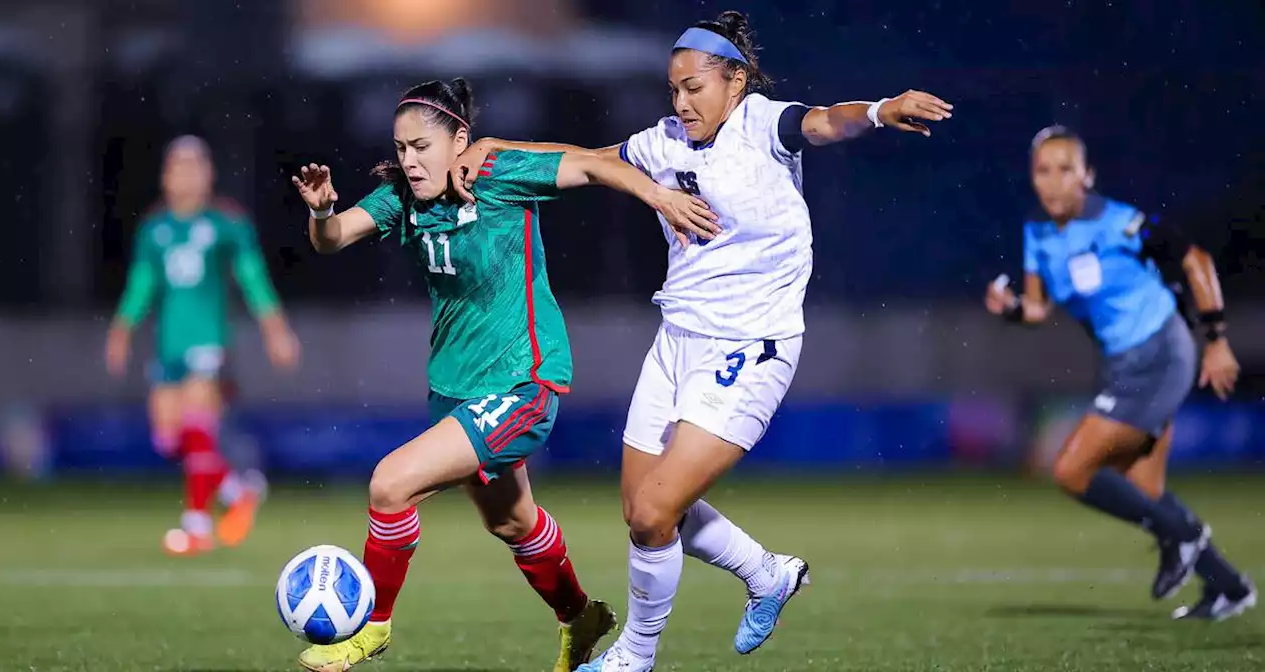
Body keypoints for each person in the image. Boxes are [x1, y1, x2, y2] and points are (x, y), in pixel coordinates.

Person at [451, 11, 953, 671]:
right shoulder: (663, 142)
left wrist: (882, 109)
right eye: (673, 89)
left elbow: (829, 120)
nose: (681, 102)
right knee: (641, 509)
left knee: (657, 510)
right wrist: (497, 151)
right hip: (677, 340)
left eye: (694, 88)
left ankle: (638, 653)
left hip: (750, 345)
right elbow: (589, 164)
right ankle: (767, 574)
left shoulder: (762, 125)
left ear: (735, 83)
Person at [290, 77, 719, 672]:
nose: (409, 160)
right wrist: (323, 211)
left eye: (421, 146)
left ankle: (372, 627)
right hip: (455, 389)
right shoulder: (402, 201)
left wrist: (659, 198)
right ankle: (580, 616)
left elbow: (591, 166)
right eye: (401, 148)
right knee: (512, 521)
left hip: (522, 383)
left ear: (458, 140)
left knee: (390, 484)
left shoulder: (497, 175)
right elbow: (332, 240)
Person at [985, 125, 1256, 621]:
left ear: (1087, 176)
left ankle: (1188, 535)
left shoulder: (1120, 223)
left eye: (1066, 169)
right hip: (1121, 364)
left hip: (1162, 352)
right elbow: (1039, 309)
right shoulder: (1037, 231)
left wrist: (1216, 341)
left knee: (1071, 469)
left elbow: (1195, 259)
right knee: (1146, 495)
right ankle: (1229, 588)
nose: (1053, 181)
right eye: (1043, 170)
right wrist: (1008, 308)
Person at [106, 135, 299, 556]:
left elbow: (253, 279)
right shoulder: (155, 229)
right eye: (178, 167)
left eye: (195, 167)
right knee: (169, 439)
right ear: (165, 176)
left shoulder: (226, 224)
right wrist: (122, 329)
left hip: (209, 344)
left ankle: (195, 526)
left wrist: (276, 329)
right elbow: (142, 284)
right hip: (168, 347)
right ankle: (236, 490)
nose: (187, 176)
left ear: (208, 174)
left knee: (197, 425)